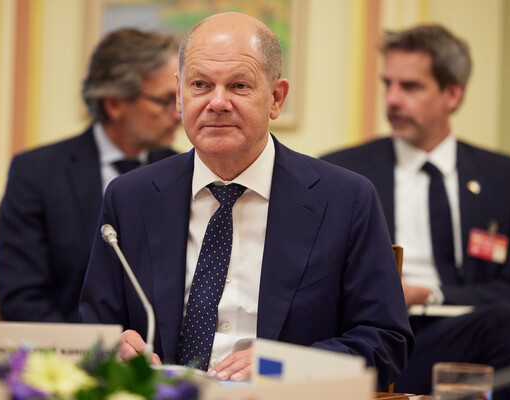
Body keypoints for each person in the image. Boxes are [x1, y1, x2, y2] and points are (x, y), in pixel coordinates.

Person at [80, 12, 413, 389]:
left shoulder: (345, 199)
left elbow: (386, 341)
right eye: (200, 85)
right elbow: (96, 330)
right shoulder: (130, 197)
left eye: (239, 86)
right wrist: (114, 348)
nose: (217, 102)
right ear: (179, 94)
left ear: (276, 98)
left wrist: (282, 366)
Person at [322, 25, 510, 399]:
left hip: (472, 331)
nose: (392, 100)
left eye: (410, 87)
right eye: (388, 84)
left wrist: (428, 293)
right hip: (382, 339)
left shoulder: (505, 178)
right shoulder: (343, 171)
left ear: (452, 94)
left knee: (509, 323)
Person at [0, 28, 181, 323]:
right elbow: (23, 299)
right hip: (69, 346)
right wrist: (87, 349)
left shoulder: (181, 171)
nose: (179, 113)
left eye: (181, 98)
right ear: (115, 104)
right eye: (166, 100)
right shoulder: (36, 173)